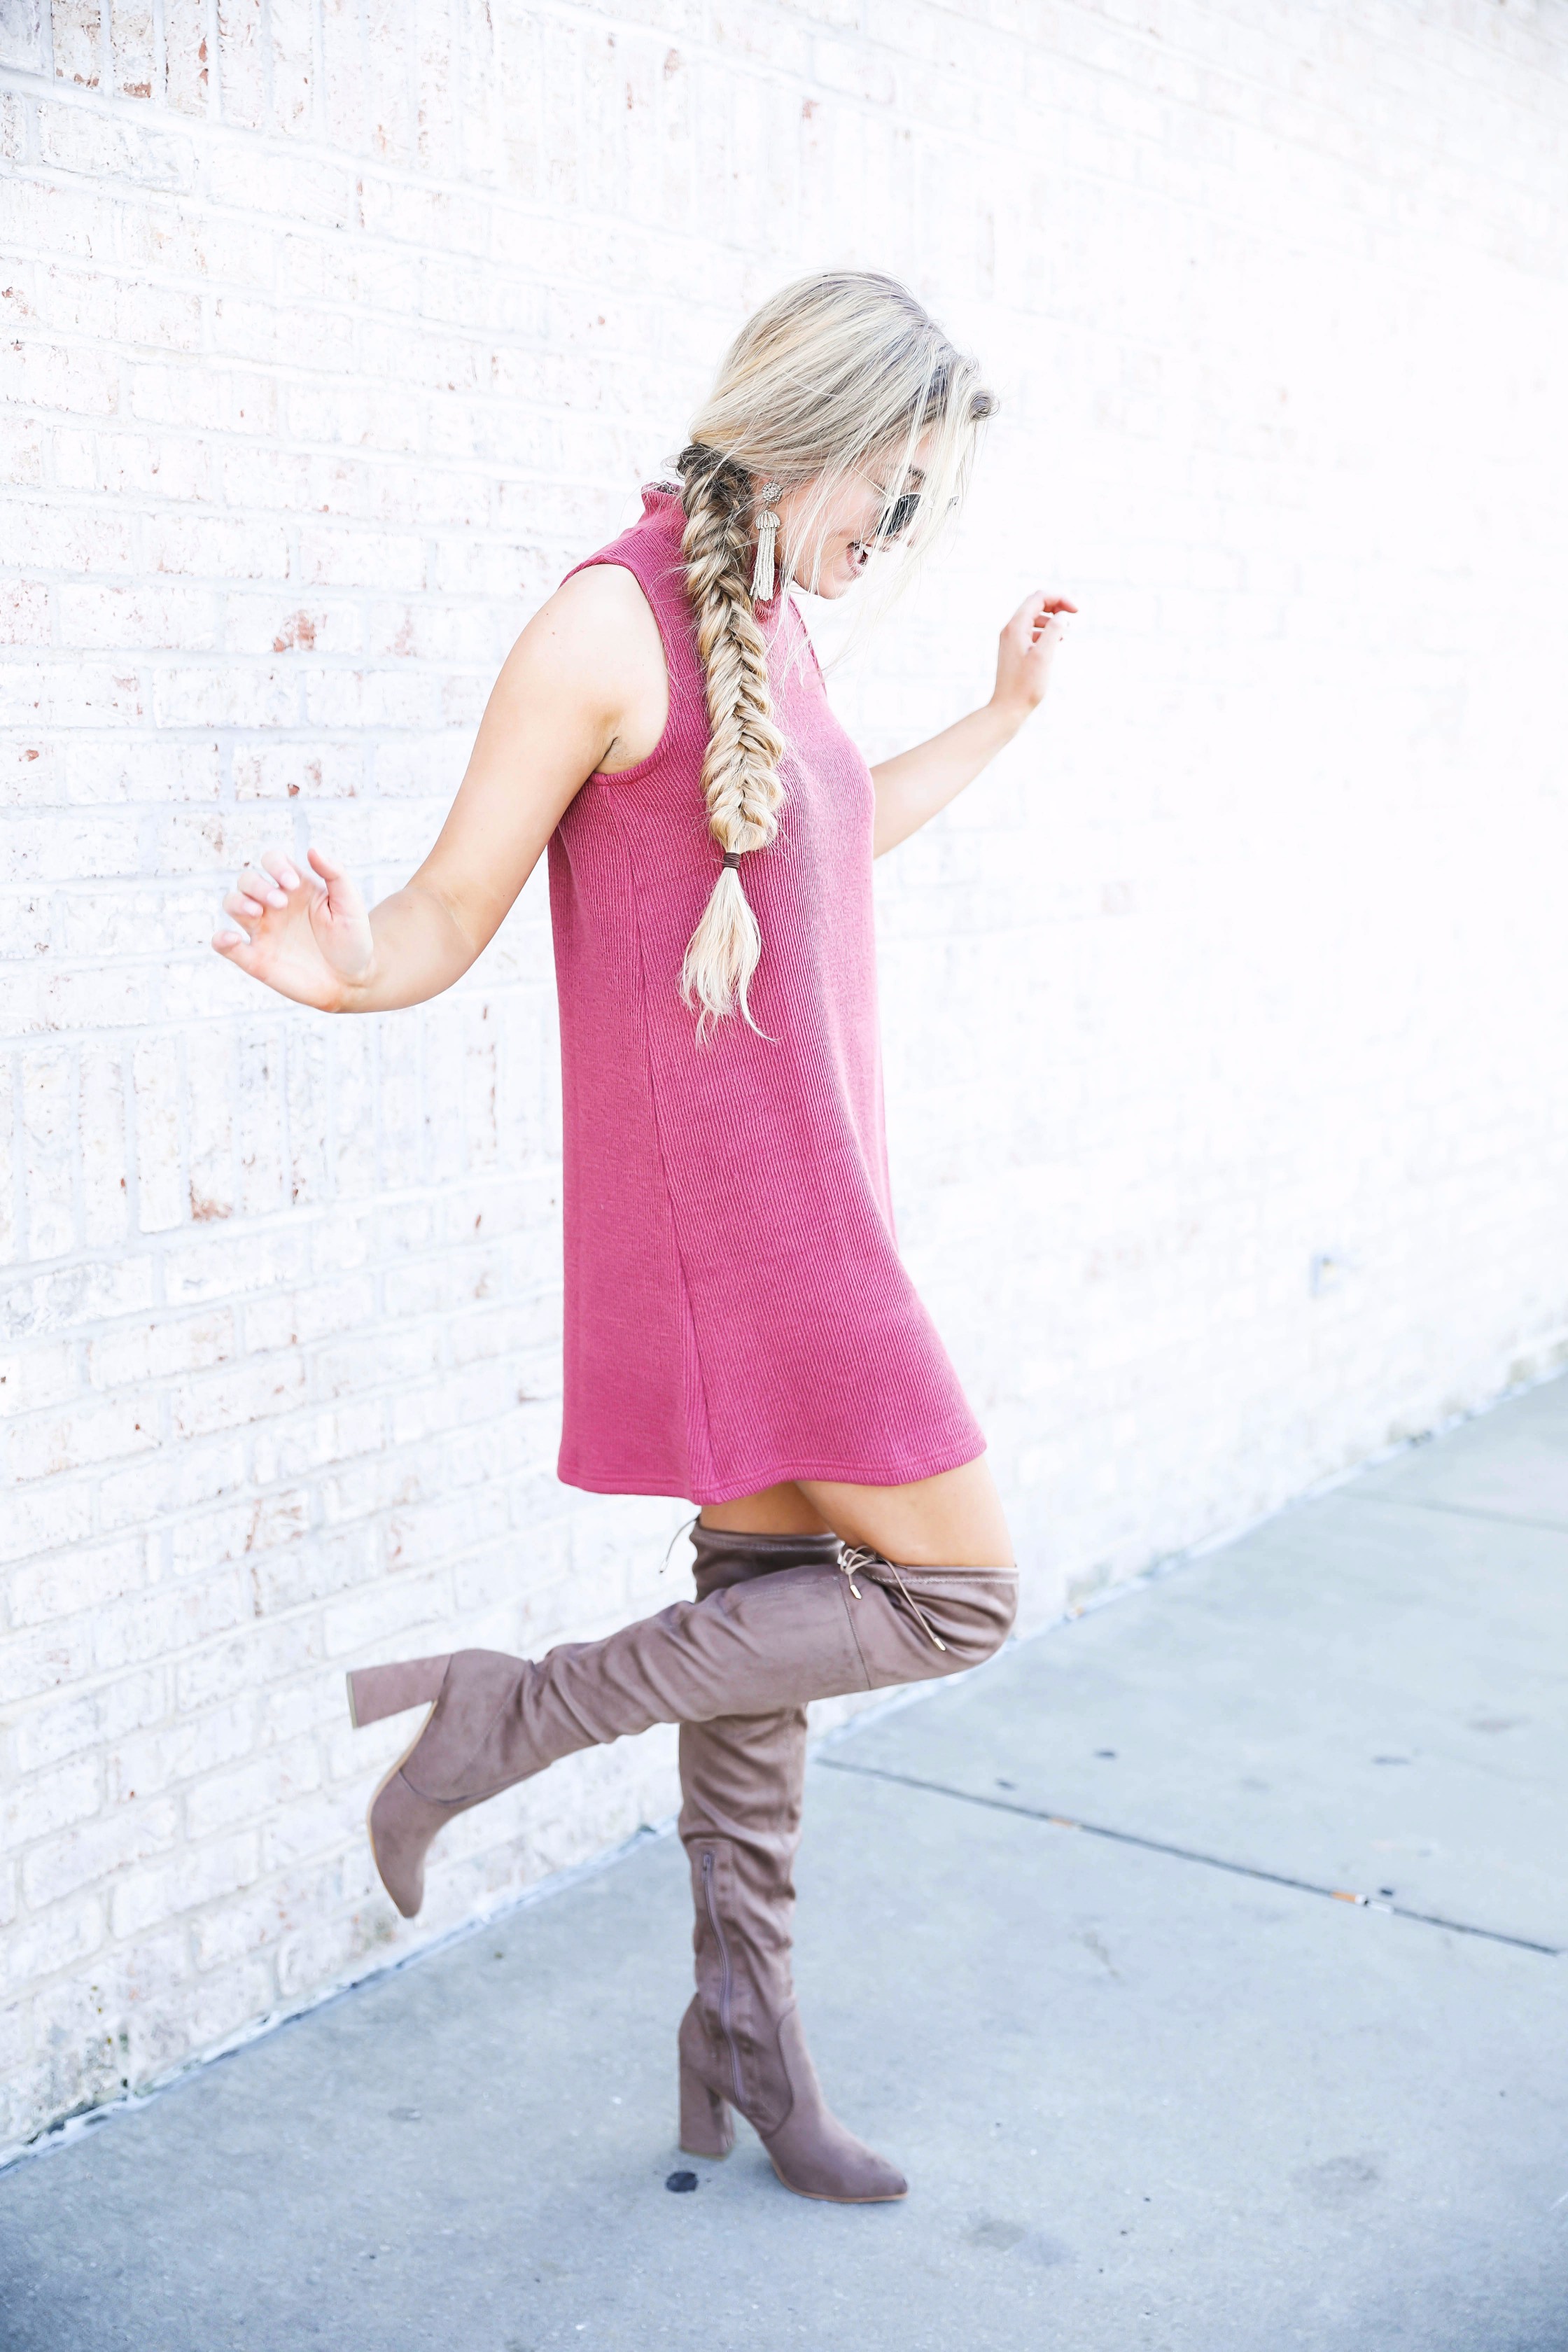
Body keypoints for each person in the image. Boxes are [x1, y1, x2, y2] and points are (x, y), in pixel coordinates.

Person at [211, 269, 1075, 2204]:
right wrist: (339, 971)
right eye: (900, 491)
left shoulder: (772, 628)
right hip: (744, 1240)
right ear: (822, 432)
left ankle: (745, 2050)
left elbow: (833, 839)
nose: (902, 533)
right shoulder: (606, 625)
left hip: (811, 1198)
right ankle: (505, 1709)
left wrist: (1005, 719)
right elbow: (442, 912)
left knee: (762, 1666)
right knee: (958, 1596)